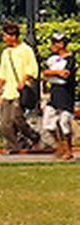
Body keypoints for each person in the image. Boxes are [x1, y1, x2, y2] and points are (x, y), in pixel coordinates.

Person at [0, 22, 40, 153]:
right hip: (7, 91)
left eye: (5, 36)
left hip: (20, 91)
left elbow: (32, 69)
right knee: (5, 122)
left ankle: (33, 136)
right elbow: (2, 73)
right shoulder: (6, 53)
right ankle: (13, 146)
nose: (4, 39)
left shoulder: (26, 50)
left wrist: (24, 80)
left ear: (13, 36)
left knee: (17, 118)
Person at [43, 31, 75, 159]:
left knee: (64, 123)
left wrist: (53, 72)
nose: (53, 45)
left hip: (66, 95)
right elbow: (45, 72)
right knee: (48, 123)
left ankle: (69, 149)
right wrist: (56, 72)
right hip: (54, 94)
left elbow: (66, 74)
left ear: (62, 44)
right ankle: (60, 145)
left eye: (55, 43)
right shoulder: (52, 59)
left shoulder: (70, 59)